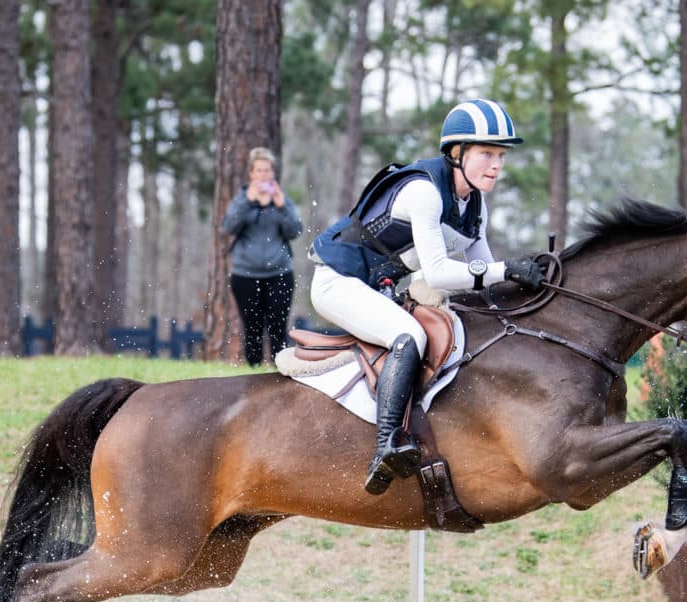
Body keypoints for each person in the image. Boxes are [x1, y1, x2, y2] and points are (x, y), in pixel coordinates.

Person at [310, 98, 545, 495]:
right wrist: (507, 269)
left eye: (501, 156)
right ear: (457, 153)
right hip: (337, 280)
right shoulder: (425, 191)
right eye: (487, 153)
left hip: (375, 288)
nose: (496, 165)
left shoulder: (475, 205)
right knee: (411, 336)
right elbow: (438, 272)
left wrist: (528, 284)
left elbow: (482, 271)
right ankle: (386, 444)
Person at [220, 147, 303, 366]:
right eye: (259, 170)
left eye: (267, 170)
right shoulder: (241, 200)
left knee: (278, 326)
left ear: (273, 173)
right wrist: (248, 201)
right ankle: (253, 372)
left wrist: (282, 206)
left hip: (280, 273)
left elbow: (295, 231)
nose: (264, 175)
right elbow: (229, 226)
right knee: (252, 327)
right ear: (251, 174)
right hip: (245, 275)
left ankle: (280, 370)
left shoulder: (282, 201)